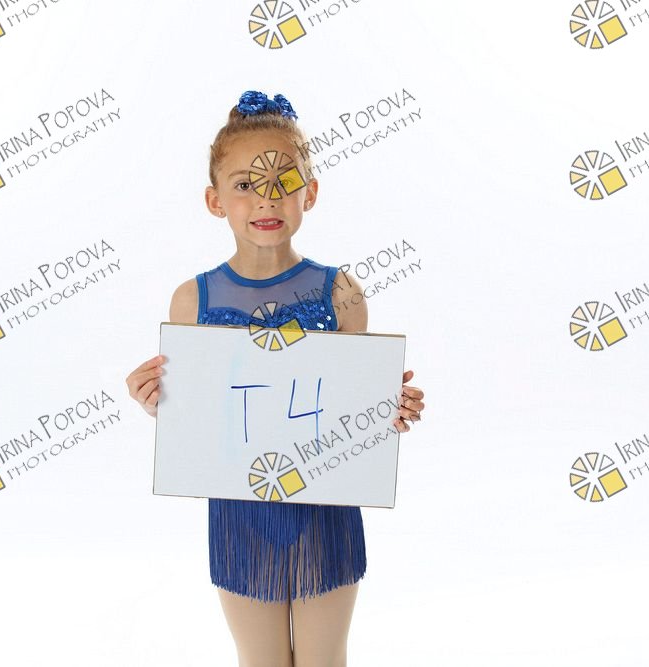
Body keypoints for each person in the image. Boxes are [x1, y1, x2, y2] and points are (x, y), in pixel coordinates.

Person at [125, 90, 426, 667]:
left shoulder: (341, 292)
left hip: (325, 509)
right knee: (259, 658)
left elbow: (351, 399)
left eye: (284, 182)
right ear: (215, 200)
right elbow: (198, 411)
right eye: (245, 184)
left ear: (309, 192)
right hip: (241, 514)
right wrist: (156, 399)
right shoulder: (192, 299)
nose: (266, 198)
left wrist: (388, 409)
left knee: (323, 657)